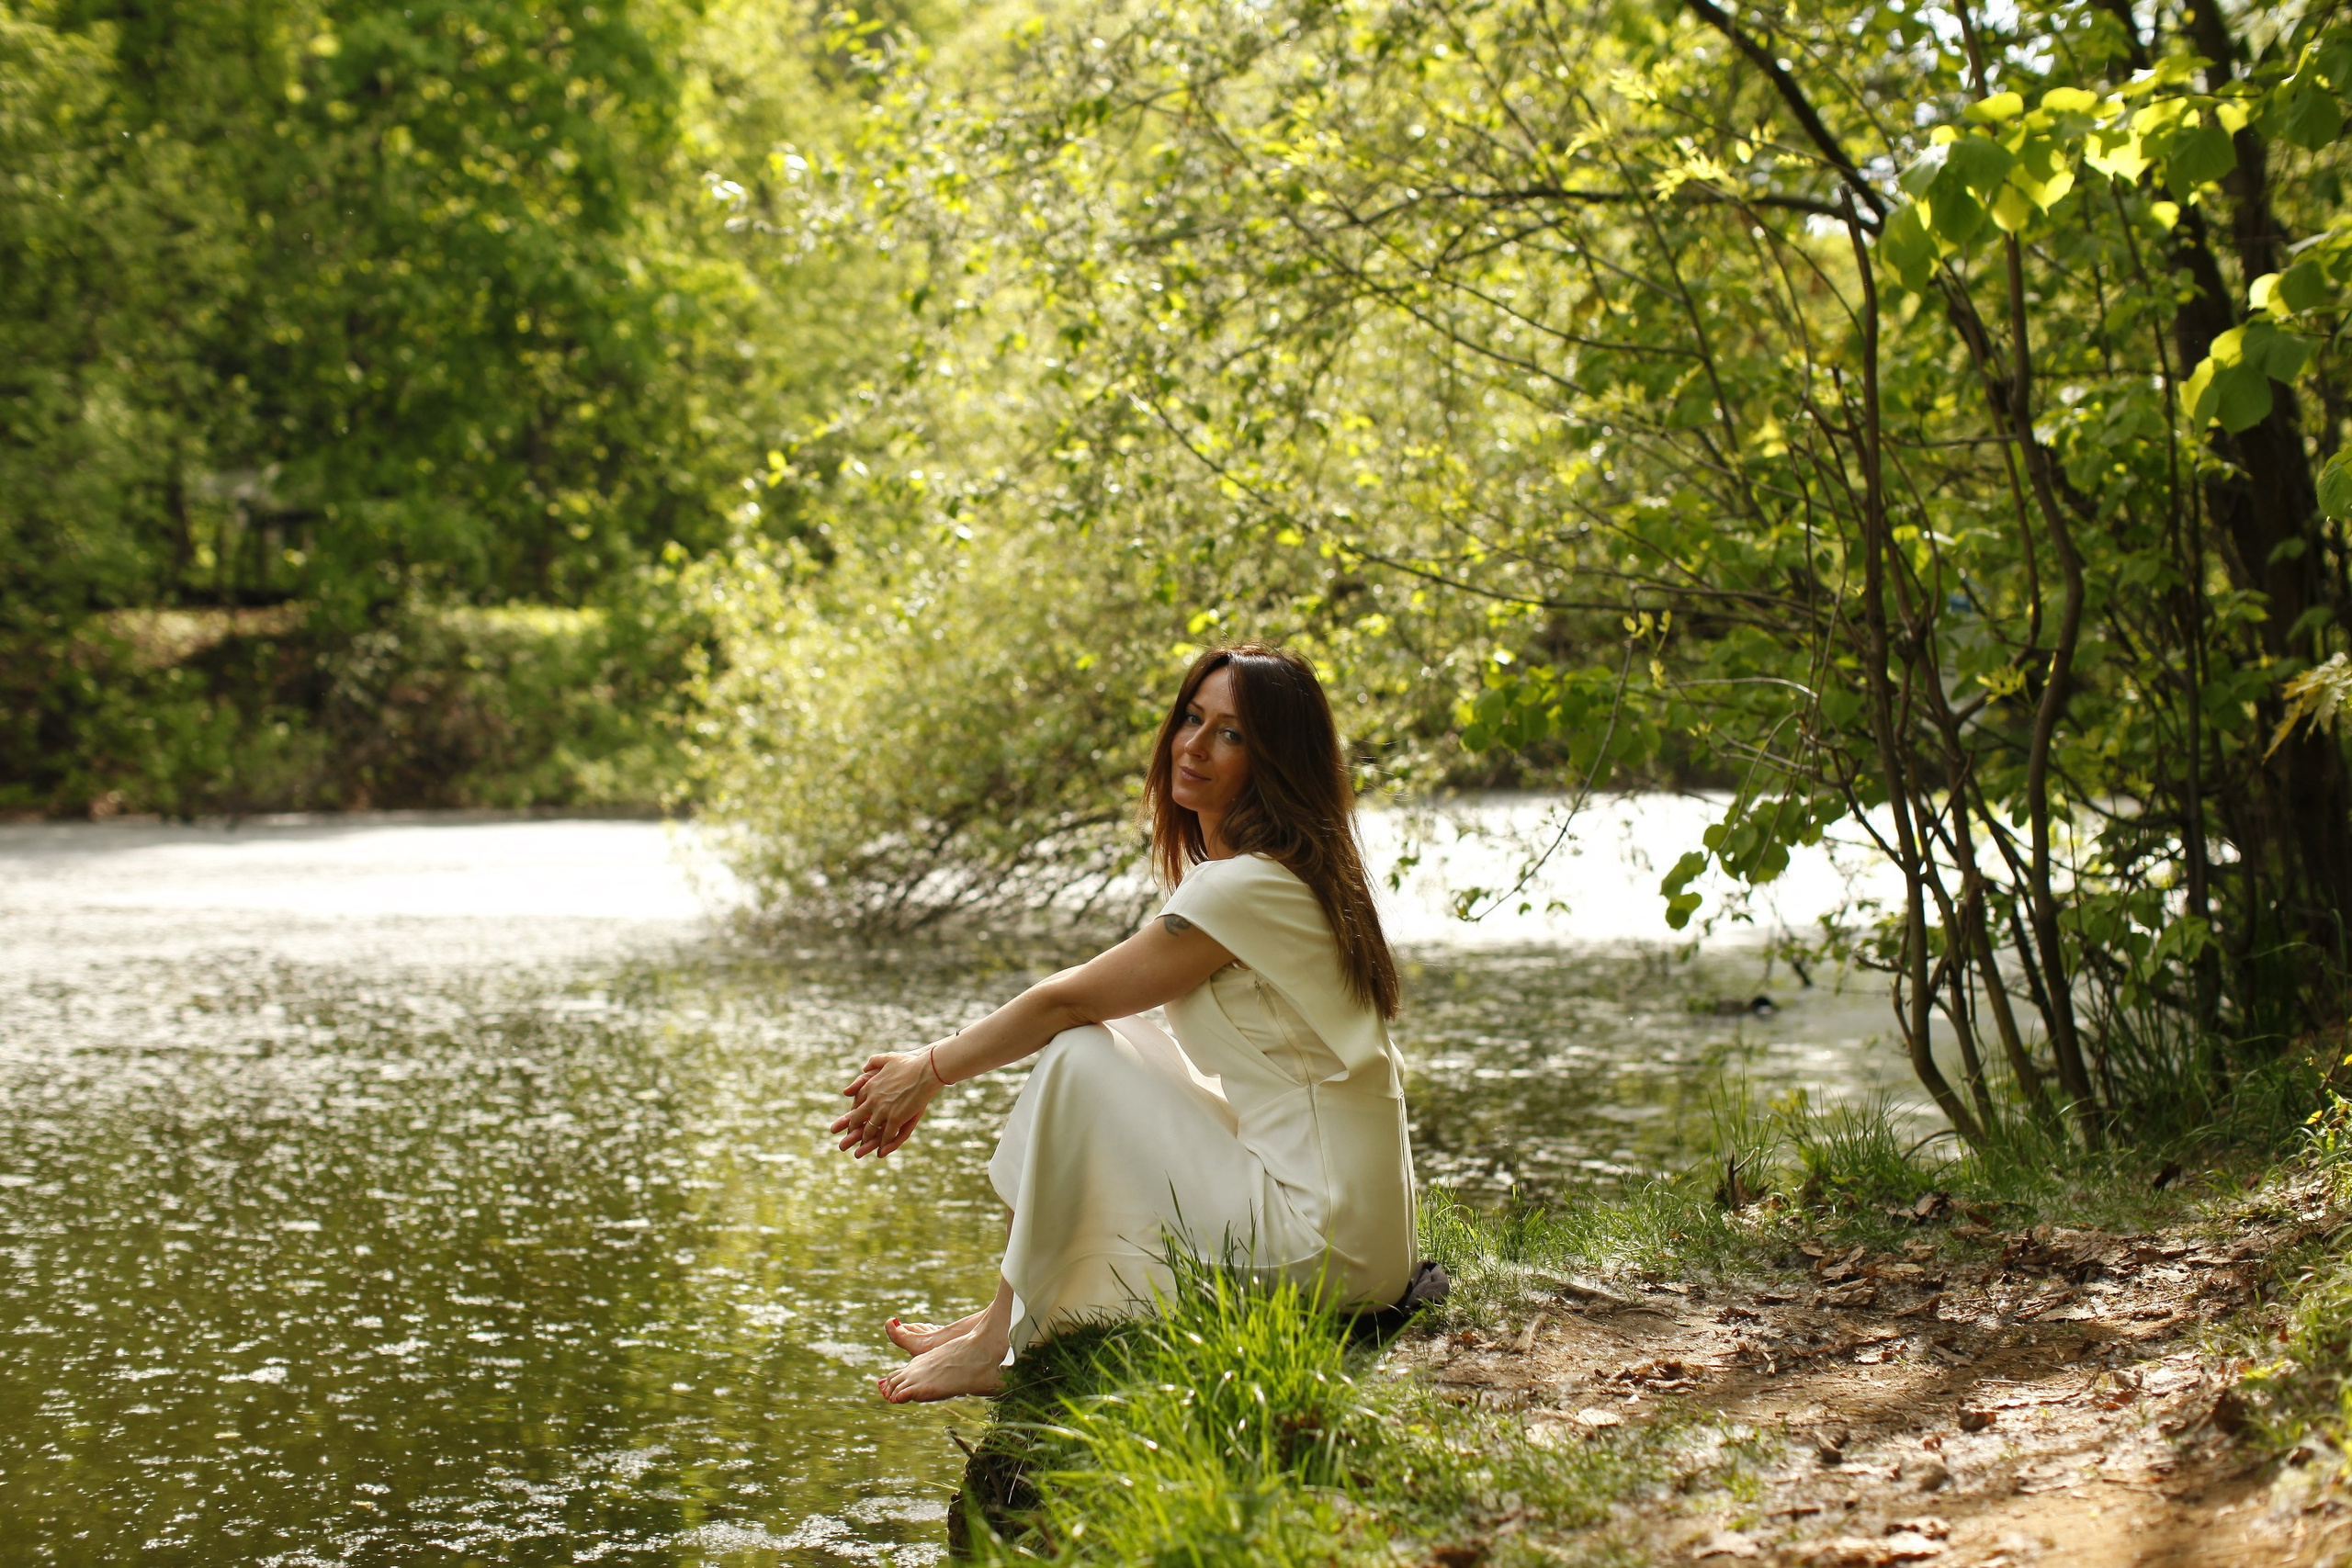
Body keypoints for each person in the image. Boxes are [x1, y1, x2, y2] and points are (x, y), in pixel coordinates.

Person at [830, 644, 1419, 1403]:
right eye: (1191, 718)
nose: (1194, 746)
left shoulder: (1248, 886)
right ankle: (1008, 1314)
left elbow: (1064, 1002)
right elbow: (1119, 1010)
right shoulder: (1282, 873)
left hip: (1325, 1245)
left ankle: (998, 1344)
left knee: (1076, 1049)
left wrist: (929, 1069)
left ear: (1275, 761)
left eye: (1231, 734)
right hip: (1356, 1234)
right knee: (1108, 1042)